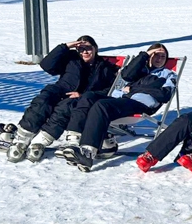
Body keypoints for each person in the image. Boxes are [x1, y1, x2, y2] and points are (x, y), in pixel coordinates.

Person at [64, 43, 177, 172]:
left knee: (102, 106)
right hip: (121, 98)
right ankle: (74, 140)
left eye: (163, 56)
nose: (159, 58)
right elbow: (126, 75)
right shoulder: (139, 70)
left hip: (140, 103)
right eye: (155, 55)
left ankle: (88, 152)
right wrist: (144, 56)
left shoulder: (168, 74)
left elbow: (164, 94)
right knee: (88, 97)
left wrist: (133, 89)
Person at [6, 36, 117, 162]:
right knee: (42, 102)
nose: (85, 52)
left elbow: (109, 89)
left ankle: (40, 141)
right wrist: (65, 47)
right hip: (60, 89)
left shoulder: (105, 68)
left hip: (81, 97)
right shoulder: (70, 59)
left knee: (65, 108)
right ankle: (22, 138)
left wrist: (82, 95)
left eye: (88, 48)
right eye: (81, 49)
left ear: (95, 48)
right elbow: (46, 65)